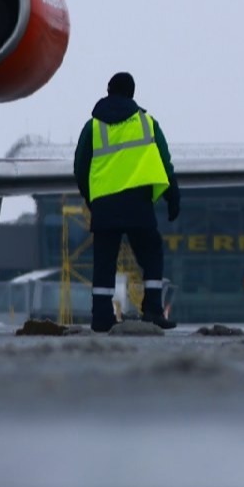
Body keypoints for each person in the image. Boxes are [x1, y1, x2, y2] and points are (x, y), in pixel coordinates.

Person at [74, 72, 181, 332]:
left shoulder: (93, 127)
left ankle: (101, 317)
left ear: (108, 90)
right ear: (132, 93)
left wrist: (91, 199)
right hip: (138, 203)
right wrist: (172, 195)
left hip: (105, 206)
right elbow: (165, 162)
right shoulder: (147, 123)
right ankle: (153, 310)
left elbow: (80, 167)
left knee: (104, 263)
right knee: (151, 255)